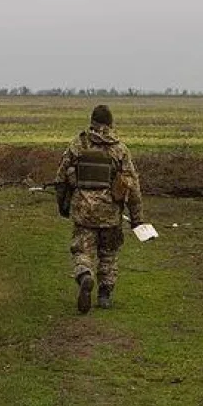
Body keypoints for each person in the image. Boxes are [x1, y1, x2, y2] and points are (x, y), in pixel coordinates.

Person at [54, 104, 145, 314]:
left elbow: (60, 179)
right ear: (110, 124)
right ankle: (104, 295)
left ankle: (85, 275)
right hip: (110, 213)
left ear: (92, 122)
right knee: (108, 254)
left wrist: (63, 207)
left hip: (83, 211)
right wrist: (137, 218)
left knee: (82, 251)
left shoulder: (78, 145)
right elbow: (132, 187)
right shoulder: (120, 150)